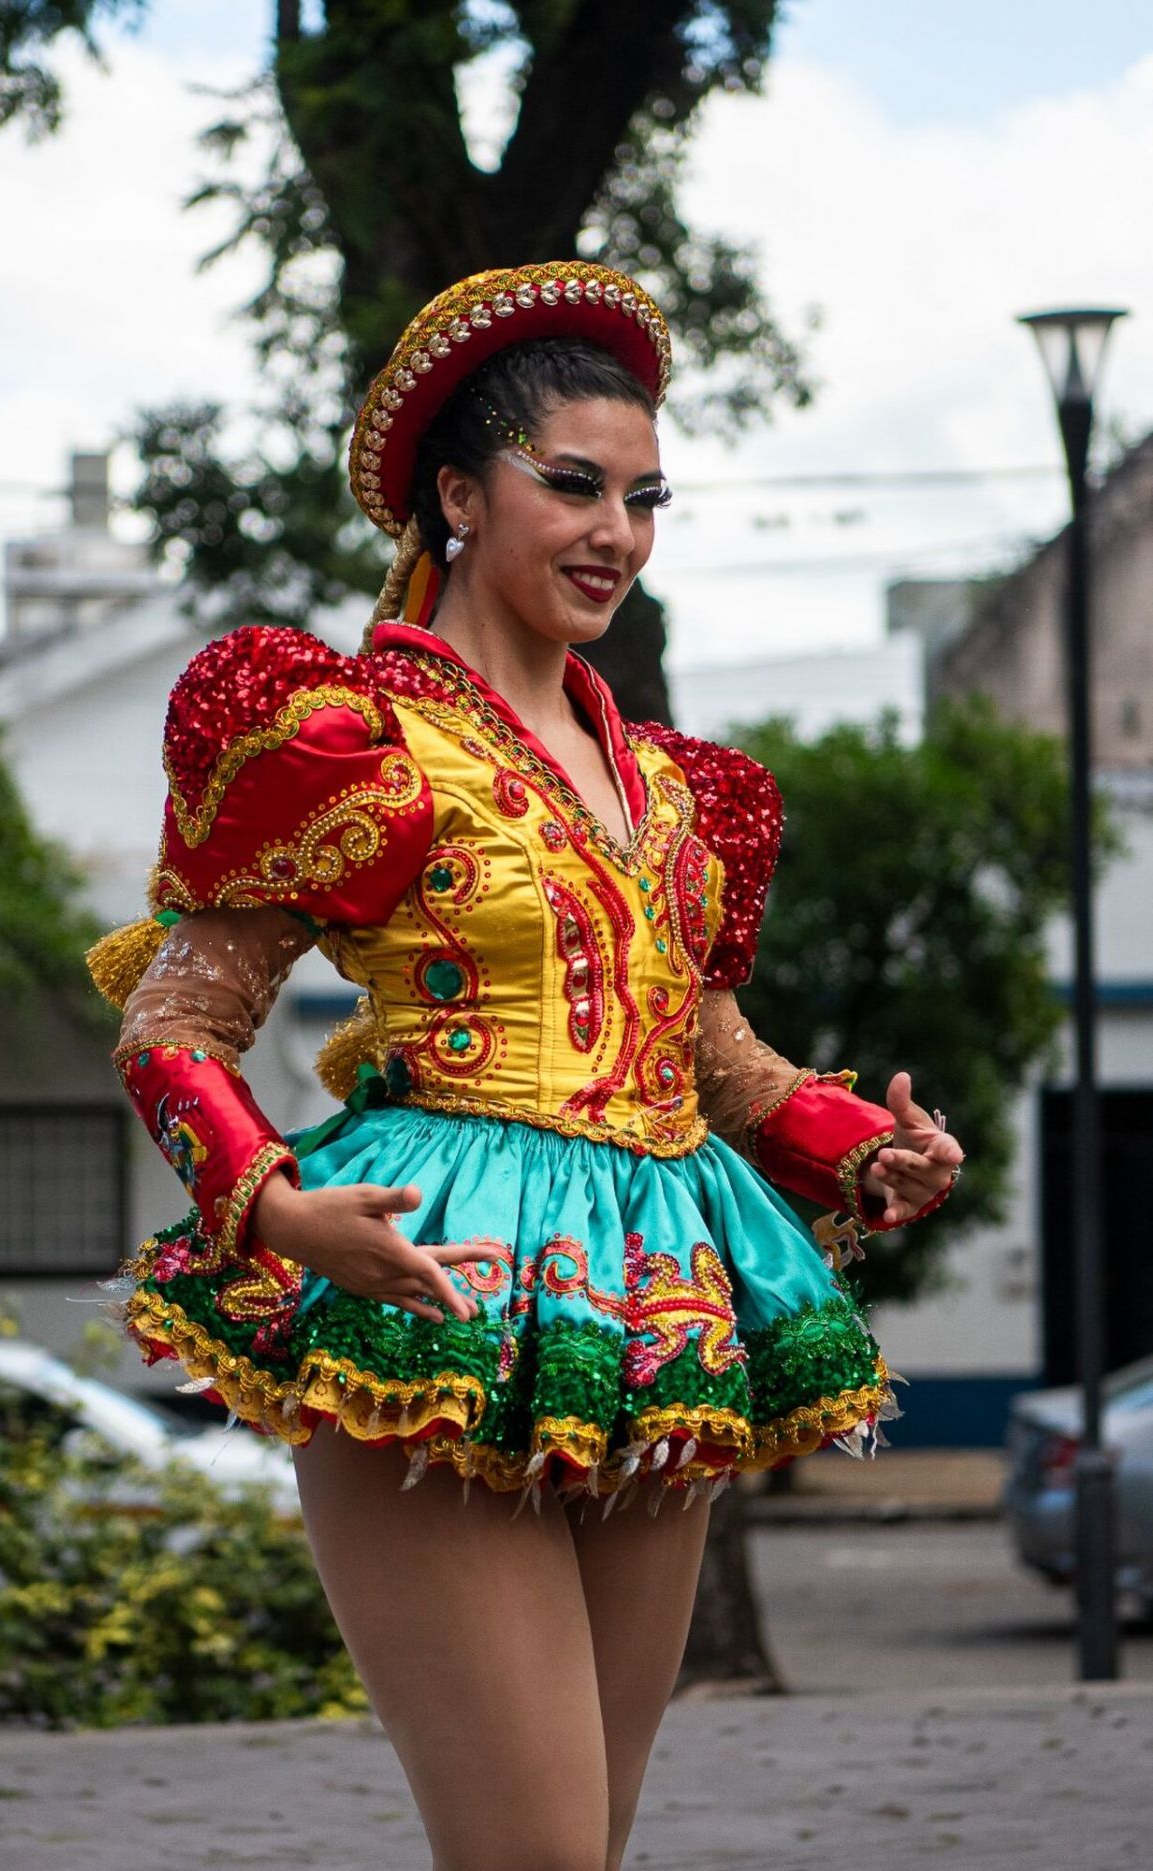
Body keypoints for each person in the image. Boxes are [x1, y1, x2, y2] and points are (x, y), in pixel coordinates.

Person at [90, 262, 963, 1871]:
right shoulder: (351, 734)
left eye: (642, 497)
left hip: (660, 1303)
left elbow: (701, 1042)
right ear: (455, 493)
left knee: (586, 1852)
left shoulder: (674, 785)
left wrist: (853, 1144)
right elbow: (173, 1023)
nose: (614, 534)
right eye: (570, 486)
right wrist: (277, 1214)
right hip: (438, 1278)